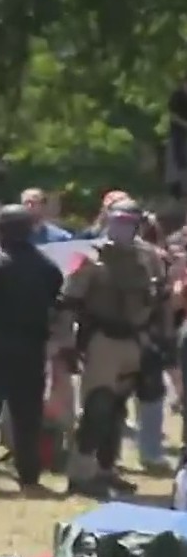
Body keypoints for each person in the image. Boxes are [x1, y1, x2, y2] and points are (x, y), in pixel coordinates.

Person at [62, 198, 168, 498]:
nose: (122, 227)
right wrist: (67, 344)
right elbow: (68, 302)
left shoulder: (149, 257)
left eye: (129, 222)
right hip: (102, 339)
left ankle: (106, 471)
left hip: (135, 340)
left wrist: (157, 340)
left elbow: (157, 299)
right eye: (117, 221)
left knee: (117, 411)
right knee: (98, 406)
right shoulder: (88, 256)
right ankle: (81, 473)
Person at [0, 204, 63, 492]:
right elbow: (56, 304)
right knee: (28, 416)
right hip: (32, 348)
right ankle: (29, 474)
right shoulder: (48, 267)